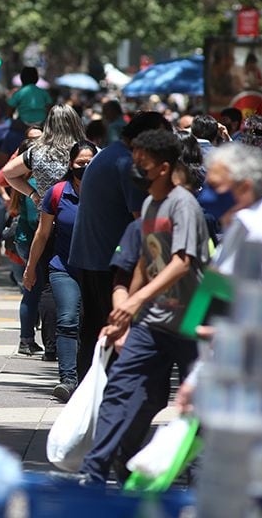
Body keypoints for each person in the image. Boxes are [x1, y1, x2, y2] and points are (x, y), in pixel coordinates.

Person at [78, 129, 209, 484]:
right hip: (152, 320)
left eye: (142, 163)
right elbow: (142, 263)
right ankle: (97, 469)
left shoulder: (184, 205)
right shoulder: (150, 204)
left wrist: (135, 300)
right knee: (123, 390)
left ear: (164, 167)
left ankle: (198, 478)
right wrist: (124, 316)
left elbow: (183, 261)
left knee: (198, 405)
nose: (134, 168)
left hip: (191, 320)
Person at [175, 144, 262, 415]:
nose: (207, 195)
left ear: (244, 188)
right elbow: (210, 310)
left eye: (216, 186)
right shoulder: (232, 234)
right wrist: (195, 379)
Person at [66, 111, 170, 379]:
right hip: (108, 260)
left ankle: (89, 389)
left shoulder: (108, 153)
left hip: (90, 256)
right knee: (114, 328)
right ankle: (107, 390)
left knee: (92, 330)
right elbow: (142, 221)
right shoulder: (126, 163)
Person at [2, 104, 85, 354]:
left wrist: (34, 193)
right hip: (80, 225)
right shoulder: (84, 151)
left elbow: (8, 174)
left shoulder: (36, 152)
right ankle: (75, 340)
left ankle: (51, 344)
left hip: (45, 224)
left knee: (47, 284)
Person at [23, 141, 98, 402]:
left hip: (97, 269)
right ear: (70, 164)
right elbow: (42, 234)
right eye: (80, 163)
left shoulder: (105, 193)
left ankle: (91, 378)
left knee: (94, 325)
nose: (85, 168)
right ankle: (68, 380)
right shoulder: (57, 193)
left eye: (90, 163)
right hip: (63, 267)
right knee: (67, 320)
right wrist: (30, 268)